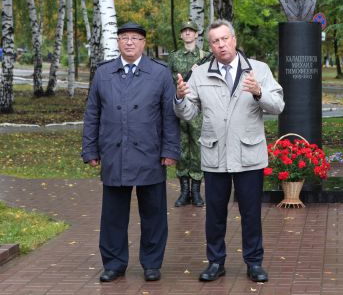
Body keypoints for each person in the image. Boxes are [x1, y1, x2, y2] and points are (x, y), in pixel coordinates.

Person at [174, 19, 284, 283]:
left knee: (250, 214)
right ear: (209, 46)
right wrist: (179, 97)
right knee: (214, 215)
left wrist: (259, 92)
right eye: (215, 41)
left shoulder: (258, 69)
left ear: (234, 40)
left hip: (249, 155)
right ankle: (215, 262)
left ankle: (254, 263)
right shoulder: (200, 73)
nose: (221, 45)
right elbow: (188, 113)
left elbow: (278, 105)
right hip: (215, 156)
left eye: (225, 39)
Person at [81, 22, 180, 283]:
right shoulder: (104, 73)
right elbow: (92, 114)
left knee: (153, 214)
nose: (129, 42)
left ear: (144, 43)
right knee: (113, 215)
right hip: (114, 153)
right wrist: (90, 149)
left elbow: (170, 116)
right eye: (124, 37)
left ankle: (151, 263)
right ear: (117, 42)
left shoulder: (159, 73)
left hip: (150, 154)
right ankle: (114, 264)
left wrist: (170, 150)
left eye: (135, 38)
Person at [167, 21, 211, 208]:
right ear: (181, 35)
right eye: (184, 31)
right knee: (182, 149)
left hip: (197, 109)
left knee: (198, 150)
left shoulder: (205, 57)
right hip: (179, 108)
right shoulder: (174, 57)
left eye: (190, 31)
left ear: (196, 34)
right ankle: (184, 191)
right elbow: (169, 82)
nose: (187, 33)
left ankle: (196, 191)